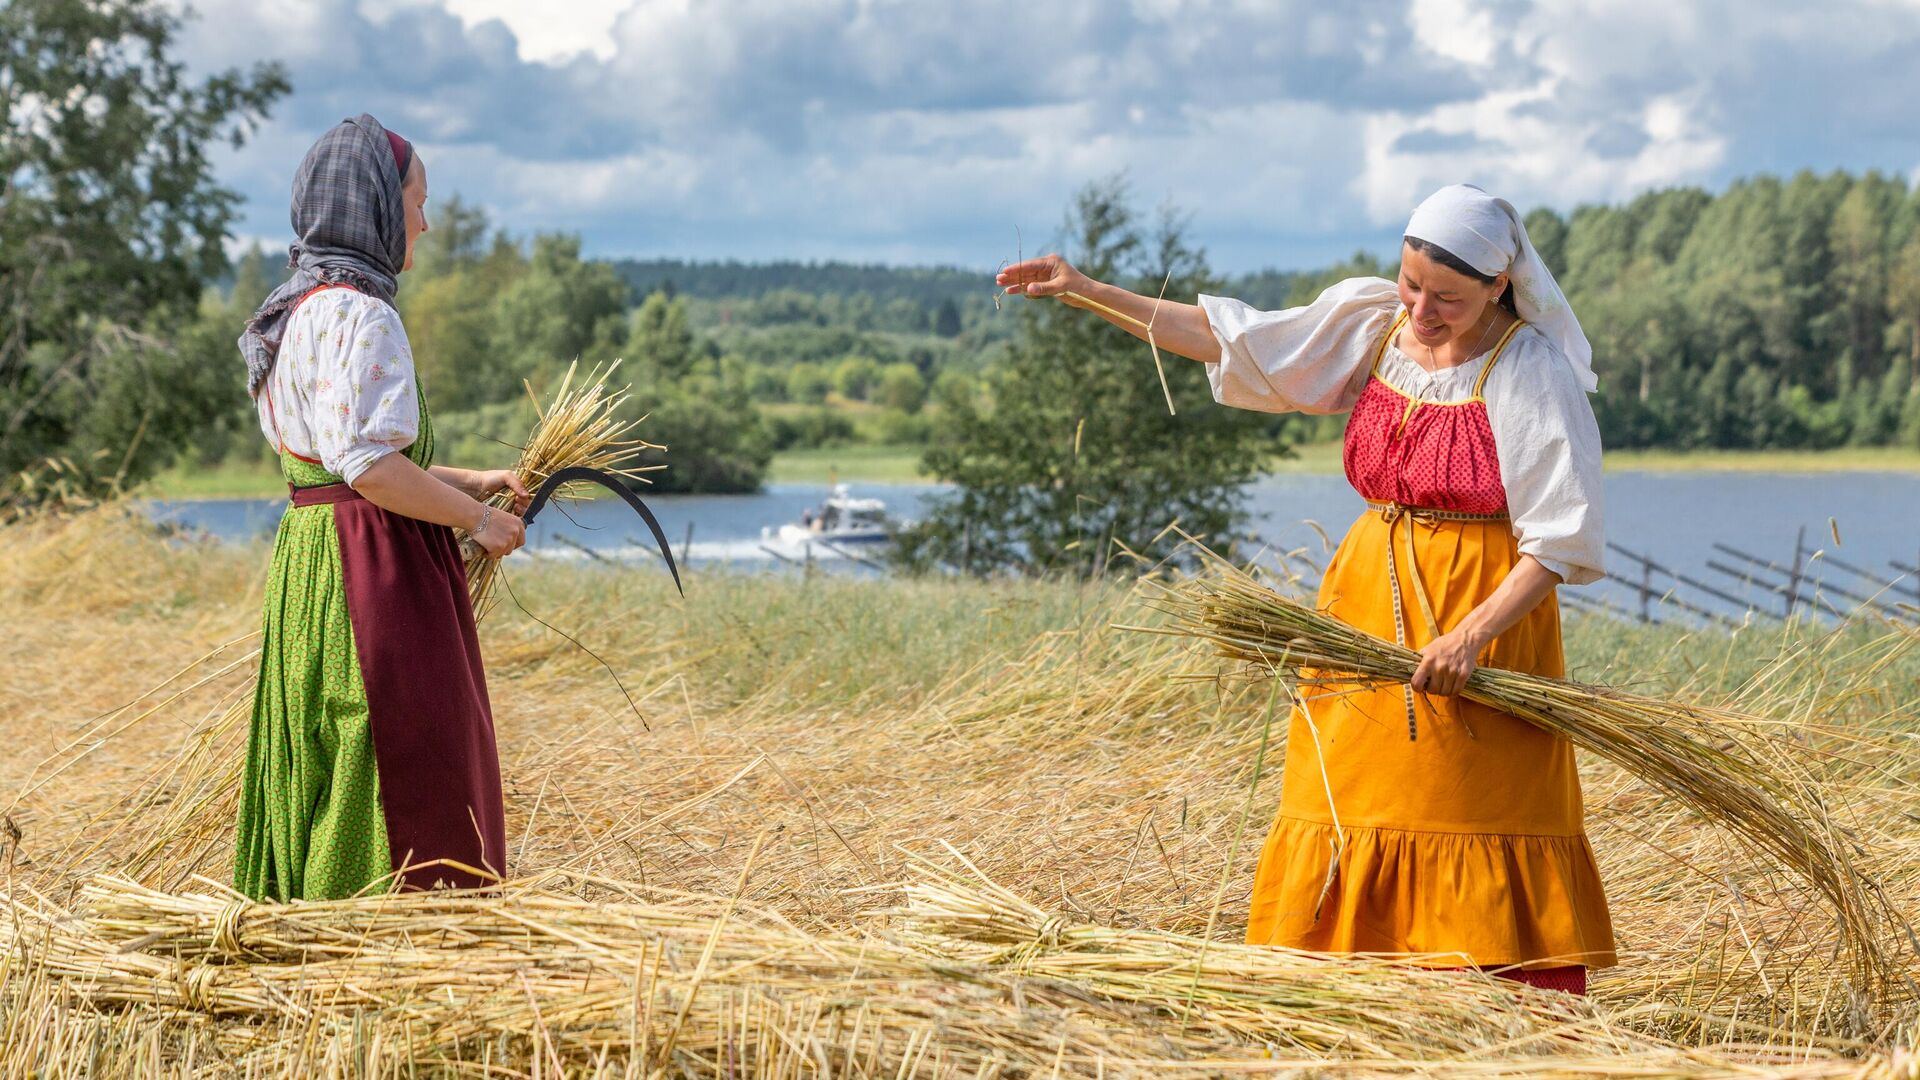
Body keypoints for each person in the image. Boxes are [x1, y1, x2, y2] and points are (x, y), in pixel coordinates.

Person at [996, 184, 1614, 992]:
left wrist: (1469, 637)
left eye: (1448, 299)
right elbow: (1236, 342)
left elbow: (1561, 537)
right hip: (1358, 614)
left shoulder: (1529, 368)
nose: (1422, 309)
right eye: (1411, 282)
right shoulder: (1376, 324)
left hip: (1479, 619)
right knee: (1346, 800)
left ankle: (1487, 1019)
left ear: (1500, 286)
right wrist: (1085, 290)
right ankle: (1348, 1005)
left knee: (1465, 805)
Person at [233, 114, 530, 901]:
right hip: (376, 572)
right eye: (418, 201)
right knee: (402, 753)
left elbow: (338, 461)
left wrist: (471, 482)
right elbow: (367, 467)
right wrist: (479, 523)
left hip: (313, 557)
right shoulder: (364, 315)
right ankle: (390, 939)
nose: (426, 224)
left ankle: (312, 938)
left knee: (328, 745)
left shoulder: (294, 310)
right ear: (373, 204)